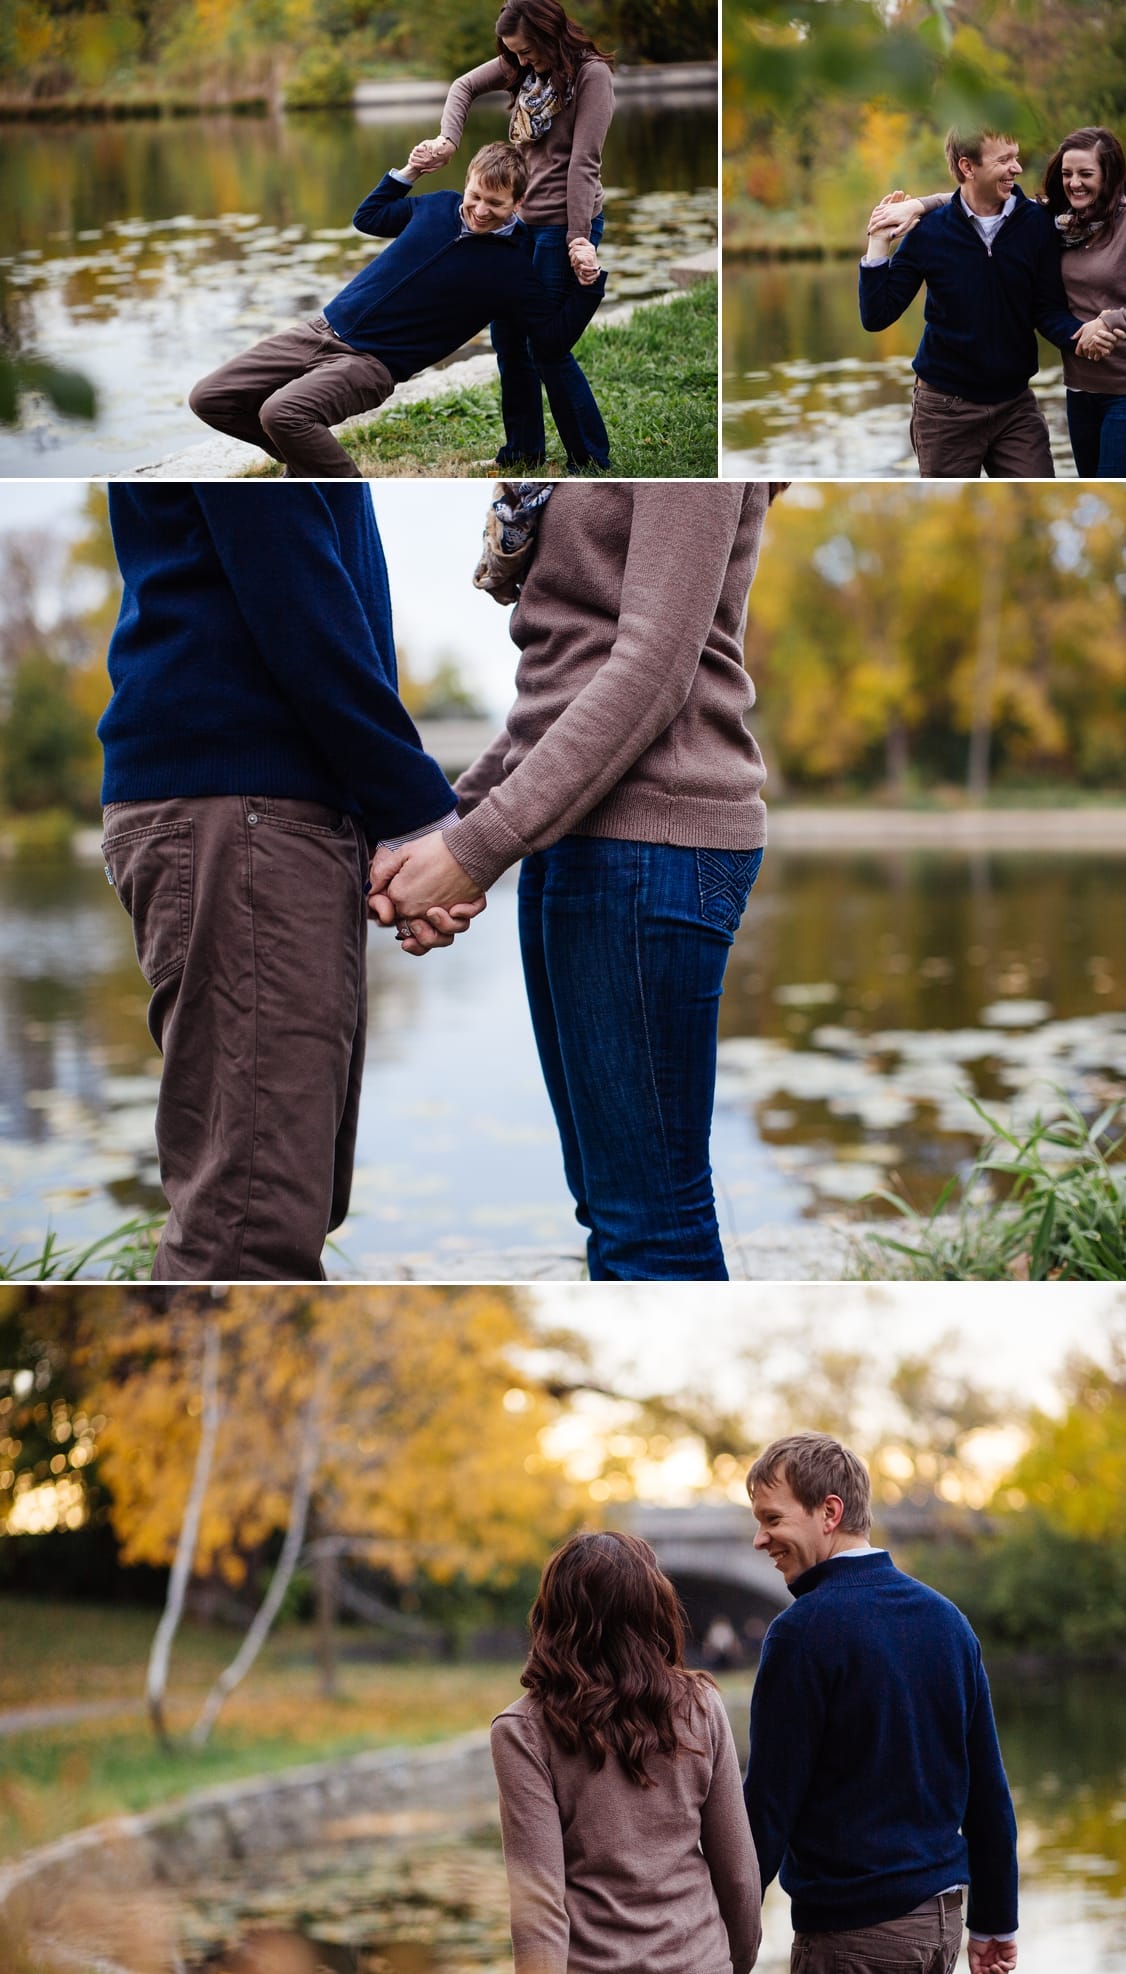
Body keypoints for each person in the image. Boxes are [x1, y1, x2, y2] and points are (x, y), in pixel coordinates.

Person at [368, 479, 780, 1282]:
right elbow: (560, 689)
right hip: (576, 825)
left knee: (648, 1221)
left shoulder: (700, 466)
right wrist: (445, 830)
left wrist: (473, 850)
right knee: (608, 1205)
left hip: (653, 833)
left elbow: (654, 666)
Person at [97, 482, 480, 1281]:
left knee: (283, 1201)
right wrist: (418, 812)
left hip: (268, 808)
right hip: (242, 805)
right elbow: (294, 587)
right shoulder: (260, 409)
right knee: (249, 1225)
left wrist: (384, 821)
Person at [741, 1433, 1019, 1974]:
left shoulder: (802, 1633)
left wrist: (717, 1935)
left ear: (828, 1513)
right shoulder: (946, 1620)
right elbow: (988, 1790)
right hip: (938, 1931)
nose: (761, 1540)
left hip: (855, 1939)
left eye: (772, 1519)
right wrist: (995, 1918)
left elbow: (767, 1810)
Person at [490, 1531, 761, 1974]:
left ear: (554, 1614)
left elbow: (538, 1900)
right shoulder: (702, 1705)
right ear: (654, 1608)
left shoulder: (524, 1729)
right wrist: (732, 1963)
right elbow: (738, 1866)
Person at [188, 141, 605, 479]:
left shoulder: (514, 267)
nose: (480, 210)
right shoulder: (437, 206)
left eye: (495, 204)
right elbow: (368, 217)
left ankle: (340, 487)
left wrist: (588, 287)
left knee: (282, 412)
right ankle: (307, 463)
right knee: (210, 398)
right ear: (466, 182)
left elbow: (550, 341)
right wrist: (410, 172)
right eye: (475, 195)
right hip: (319, 330)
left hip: (372, 364)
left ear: (519, 201)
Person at [869, 125, 1126, 479]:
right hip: (951, 407)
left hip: (1025, 405)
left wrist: (1091, 332)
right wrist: (885, 237)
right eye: (1005, 159)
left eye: (1016, 157)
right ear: (968, 167)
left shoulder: (1040, 223)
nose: (1017, 168)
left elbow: (1048, 309)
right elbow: (877, 315)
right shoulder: (935, 231)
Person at [411, 0, 615, 472]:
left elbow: (584, 164)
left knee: (545, 345)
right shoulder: (524, 68)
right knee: (507, 340)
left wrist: (579, 239)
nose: (521, 63)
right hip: (518, 226)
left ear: (548, 34)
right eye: (513, 54)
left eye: (527, 52)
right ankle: (522, 450)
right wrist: (448, 140)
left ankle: (589, 457)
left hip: (565, 225)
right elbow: (462, 87)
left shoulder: (591, 77)